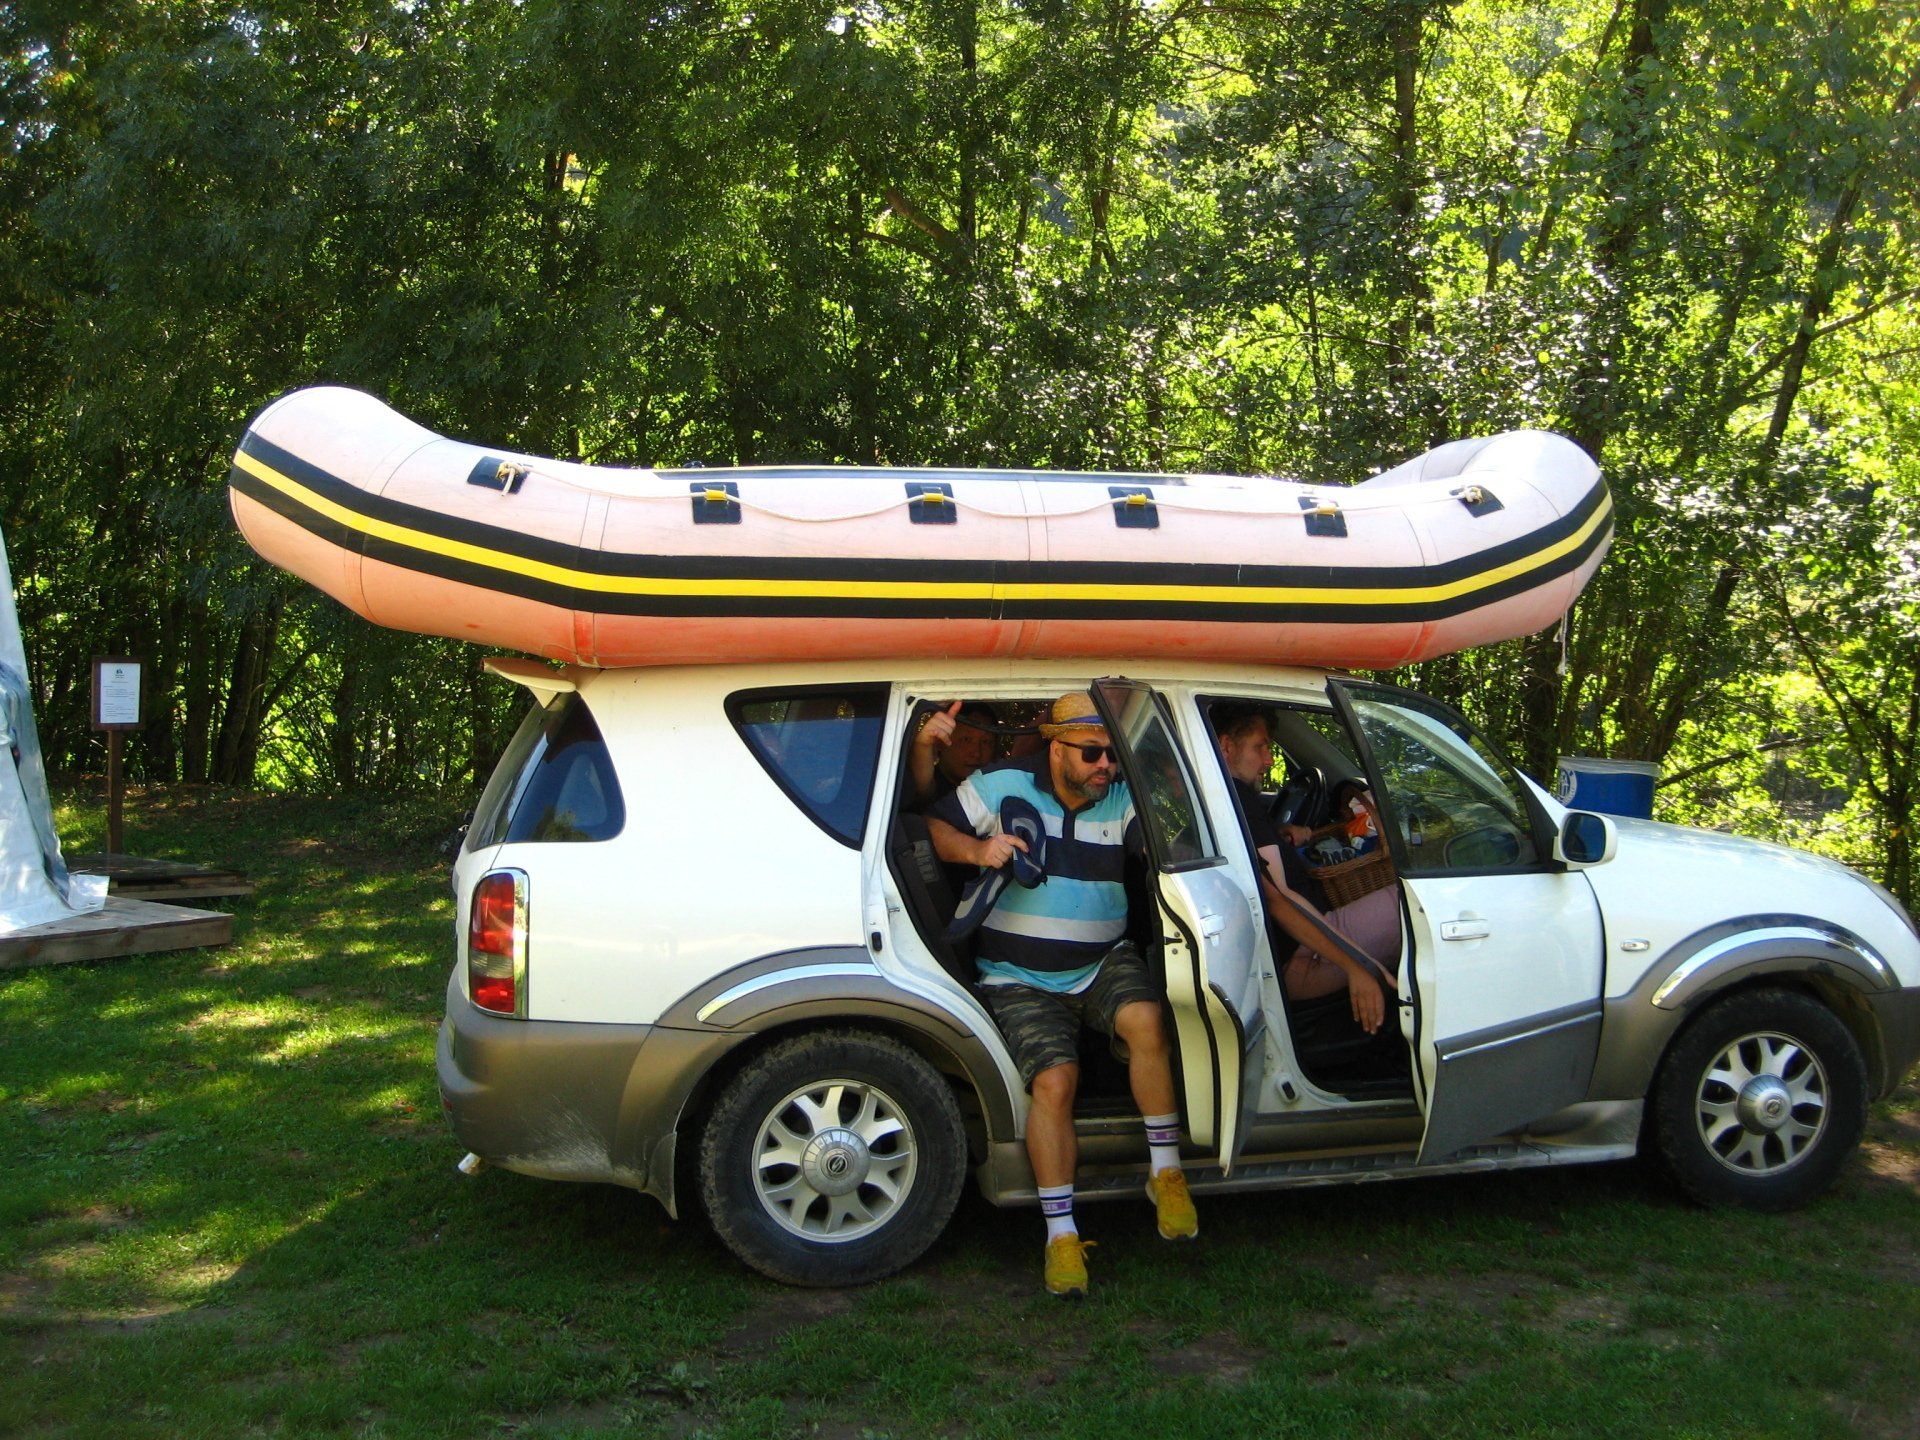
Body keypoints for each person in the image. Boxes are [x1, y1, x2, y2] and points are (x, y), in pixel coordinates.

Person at [926, 692, 1196, 1297]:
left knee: (1147, 1021)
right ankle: (1061, 1235)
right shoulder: (1003, 786)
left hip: (1102, 962)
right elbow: (932, 826)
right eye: (1092, 754)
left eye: (1112, 756)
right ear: (1056, 749)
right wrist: (977, 849)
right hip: (1016, 975)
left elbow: (1165, 848)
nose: (1106, 766)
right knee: (1055, 1082)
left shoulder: (1119, 797)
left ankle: (1166, 1174)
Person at [1212, 705, 1397, 1035]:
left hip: (1301, 945)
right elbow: (1281, 898)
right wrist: (1360, 966)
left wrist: (1281, 834)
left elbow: (1261, 855)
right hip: (1303, 956)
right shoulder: (1237, 800)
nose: (1269, 759)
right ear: (1226, 746)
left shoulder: (1229, 798)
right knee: (1410, 901)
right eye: (1260, 746)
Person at [907, 700, 998, 806]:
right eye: (966, 740)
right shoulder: (934, 790)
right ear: (940, 743)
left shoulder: (996, 793)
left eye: (985, 741)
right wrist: (922, 745)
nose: (976, 753)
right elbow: (923, 791)